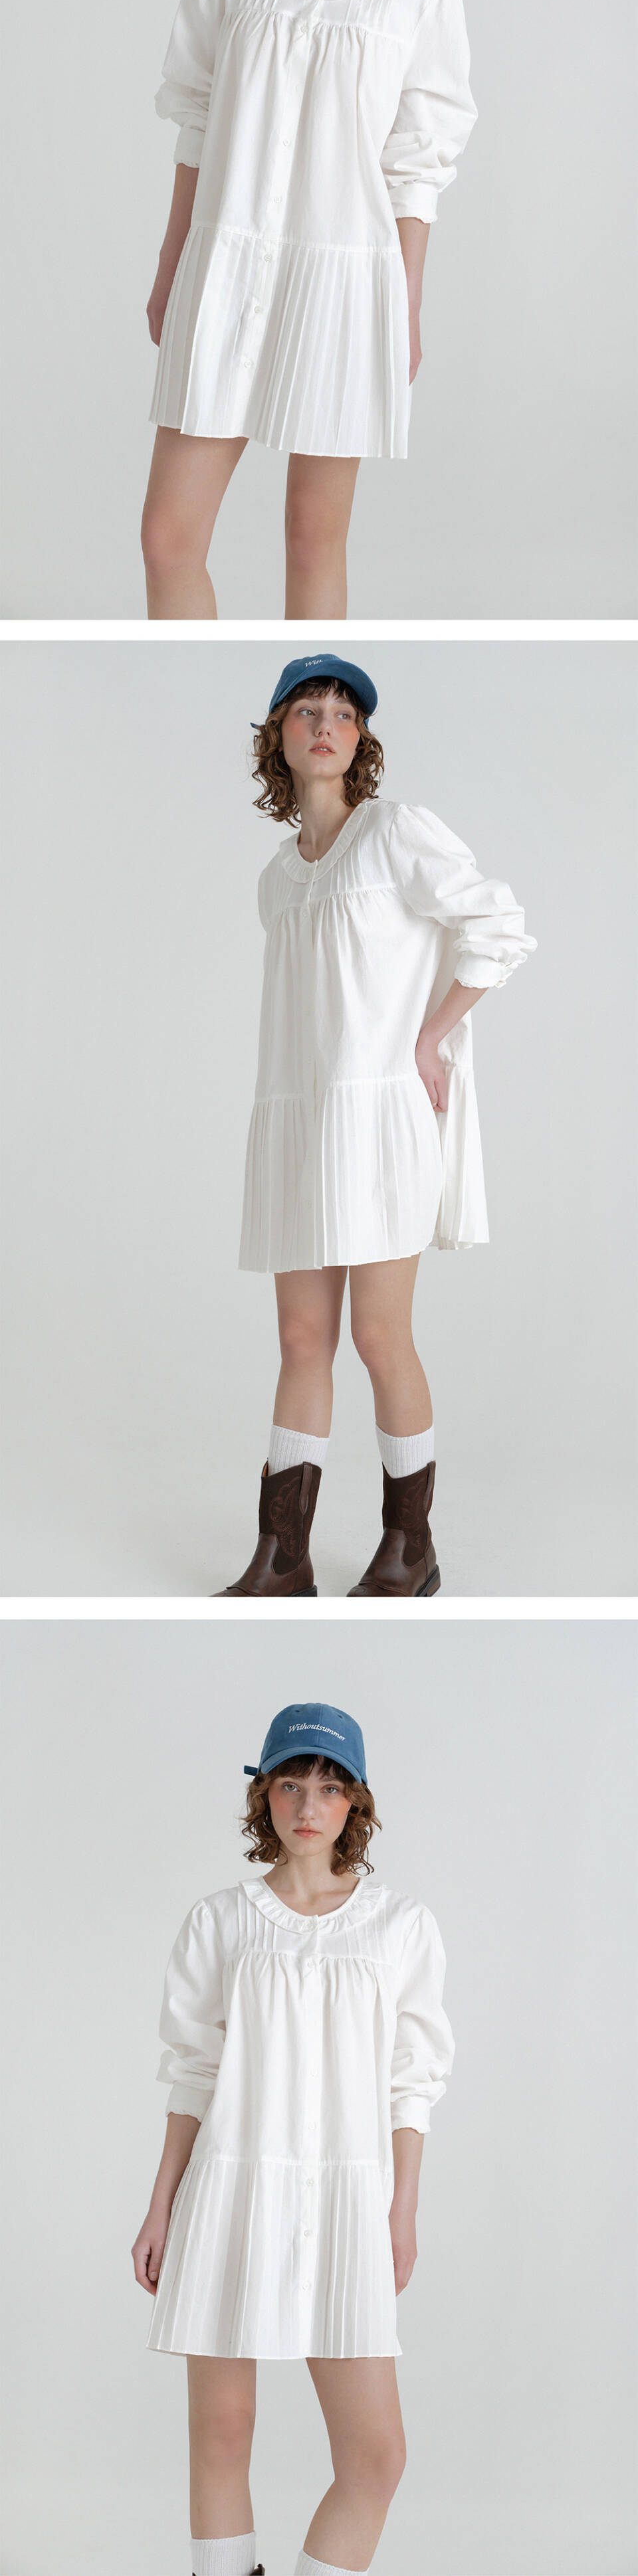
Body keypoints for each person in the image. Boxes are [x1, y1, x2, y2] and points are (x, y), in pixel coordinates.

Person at [225, 654, 536, 1597]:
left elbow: (499, 924)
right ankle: (283, 1557)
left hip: (378, 1123)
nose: (325, 724)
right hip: (300, 1121)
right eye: (306, 710)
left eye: (343, 712)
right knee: (300, 1340)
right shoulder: (278, 879)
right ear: (278, 736)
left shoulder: (394, 832)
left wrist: (434, 1037)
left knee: (380, 1335)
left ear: (360, 739)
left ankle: (411, 1546)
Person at [142, 0, 476, 621]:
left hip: (345, 281)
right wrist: (172, 267)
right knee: (170, 539)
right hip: (226, 268)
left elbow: (416, 166)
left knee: (312, 536)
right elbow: (196, 124)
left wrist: (404, 306)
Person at [132, 1697, 453, 2576]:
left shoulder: (401, 1927)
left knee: (375, 2456)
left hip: (349, 2201)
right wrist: (160, 2207)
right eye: (289, 1785)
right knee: (222, 2430)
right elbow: (194, 2073)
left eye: (329, 1787)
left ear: (356, 1803)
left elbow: (413, 2081)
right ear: (262, 1796)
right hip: (231, 2190)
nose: (308, 1806)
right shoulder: (220, 1921)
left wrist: (401, 2208)